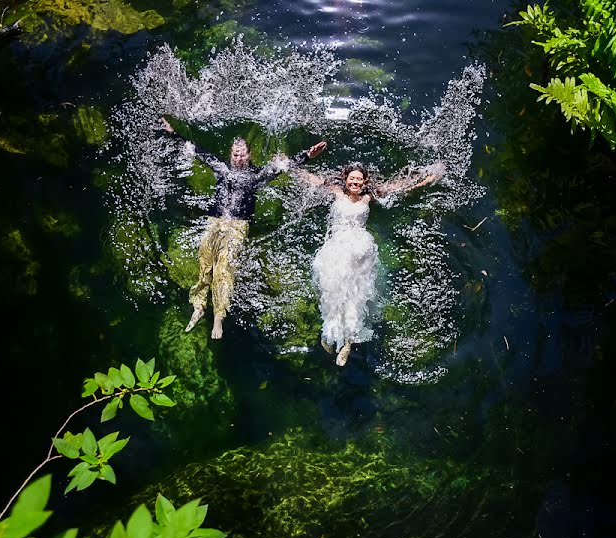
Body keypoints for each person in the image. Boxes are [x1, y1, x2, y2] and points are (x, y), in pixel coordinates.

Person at [161, 117, 327, 339]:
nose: (238, 158)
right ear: (231, 155)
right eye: (235, 154)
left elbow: (284, 166)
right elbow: (196, 151)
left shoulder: (257, 176)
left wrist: (308, 154)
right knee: (204, 262)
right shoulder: (221, 169)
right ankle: (198, 306)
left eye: (242, 154)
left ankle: (218, 317)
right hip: (215, 221)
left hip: (238, 225)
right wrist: (173, 134)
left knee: (224, 268)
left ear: (250, 156)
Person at [294, 161, 445, 365]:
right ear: (346, 180)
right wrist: (290, 167)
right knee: (332, 288)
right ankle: (328, 331)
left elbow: (399, 187)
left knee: (356, 293)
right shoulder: (336, 192)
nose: (355, 181)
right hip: (337, 246)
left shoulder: (368, 197)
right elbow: (314, 180)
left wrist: (426, 180)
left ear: (364, 182)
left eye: (358, 179)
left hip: (359, 249)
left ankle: (348, 342)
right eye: (352, 178)